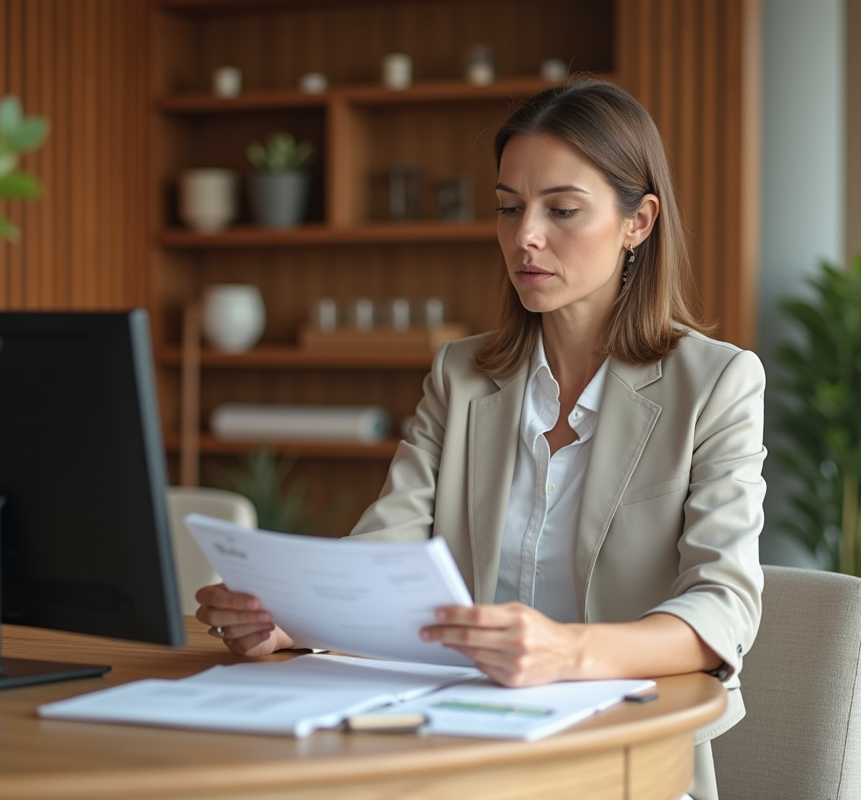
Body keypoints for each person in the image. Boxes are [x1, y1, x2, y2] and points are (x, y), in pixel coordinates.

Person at [195, 78, 765, 800]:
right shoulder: (460, 374)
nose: (525, 235)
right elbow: (386, 553)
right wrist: (290, 621)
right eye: (508, 208)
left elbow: (721, 607)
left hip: (621, 754)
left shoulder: (717, 383)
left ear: (638, 222)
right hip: (452, 739)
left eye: (562, 210)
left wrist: (565, 651)